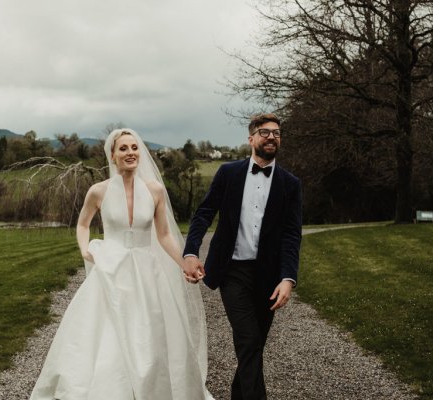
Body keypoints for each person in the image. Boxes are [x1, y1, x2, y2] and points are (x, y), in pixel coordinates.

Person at [30, 129, 213, 400]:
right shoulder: (99, 191)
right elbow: (82, 224)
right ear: (113, 156)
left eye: (135, 148)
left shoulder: (155, 191)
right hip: (111, 269)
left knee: (147, 333)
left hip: (146, 272)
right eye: (124, 149)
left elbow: (163, 235)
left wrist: (183, 262)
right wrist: (85, 249)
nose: (131, 153)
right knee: (109, 333)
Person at [182, 113, 302, 400]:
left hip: (269, 276)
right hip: (232, 271)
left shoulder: (290, 184)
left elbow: (291, 235)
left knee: (254, 344)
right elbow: (204, 214)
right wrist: (190, 252)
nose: (272, 136)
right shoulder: (228, 173)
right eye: (264, 132)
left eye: (277, 132)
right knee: (248, 340)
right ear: (251, 139)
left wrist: (288, 278)